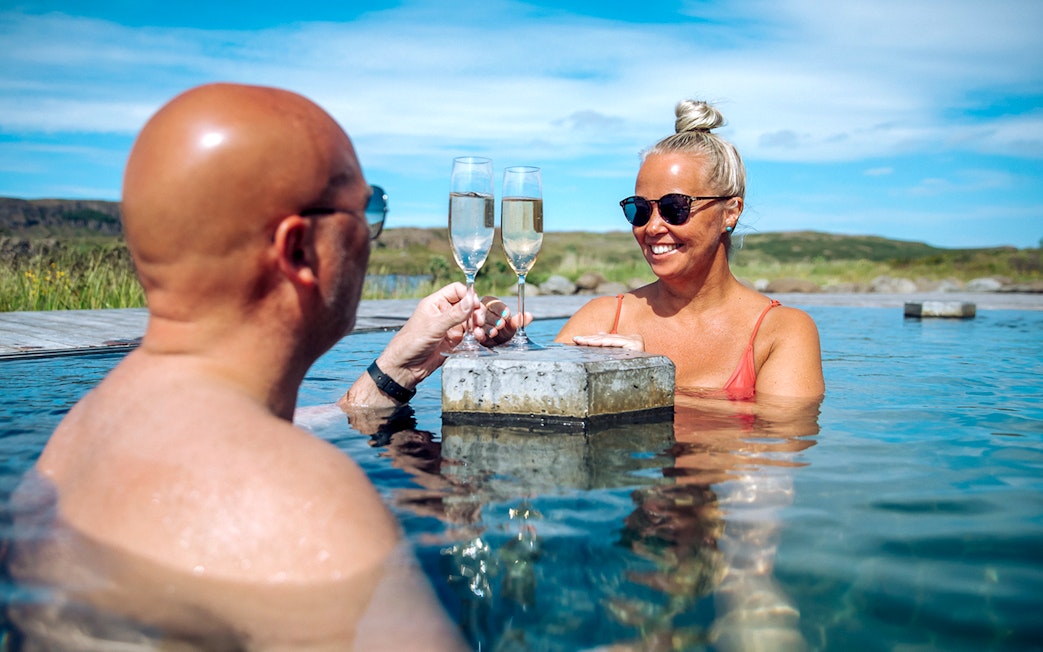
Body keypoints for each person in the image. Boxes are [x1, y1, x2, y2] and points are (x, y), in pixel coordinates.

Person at [8, 82, 477, 650]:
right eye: (365, 210)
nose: (372, 236)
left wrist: (395, 370)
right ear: (299, 249)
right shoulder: (298, 501)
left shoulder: (82, 432)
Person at [499, 99, 824, 400]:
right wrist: (497, 348)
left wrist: (649, 379)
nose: (652, 227)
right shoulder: (601, 318)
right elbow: (535, 401)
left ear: (730, 212)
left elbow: (781, 444)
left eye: (674, 207)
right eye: (639, 209)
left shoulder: (781, 330)